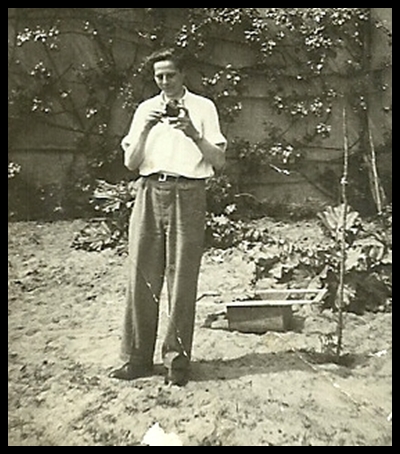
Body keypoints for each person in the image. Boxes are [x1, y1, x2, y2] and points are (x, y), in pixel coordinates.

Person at [110, 48, 227, 386]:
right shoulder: (145, 109)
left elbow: (219, 161)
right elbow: (131, 163)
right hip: (149, 191)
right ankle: (136, 359)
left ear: (183, 74)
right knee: (141, 277)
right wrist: (146, 128)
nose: (164, 82)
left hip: (188, 193)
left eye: (170, 75)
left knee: (182, 279)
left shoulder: (203, 108)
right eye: (158, 76)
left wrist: (193, 133)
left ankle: (177, 362)